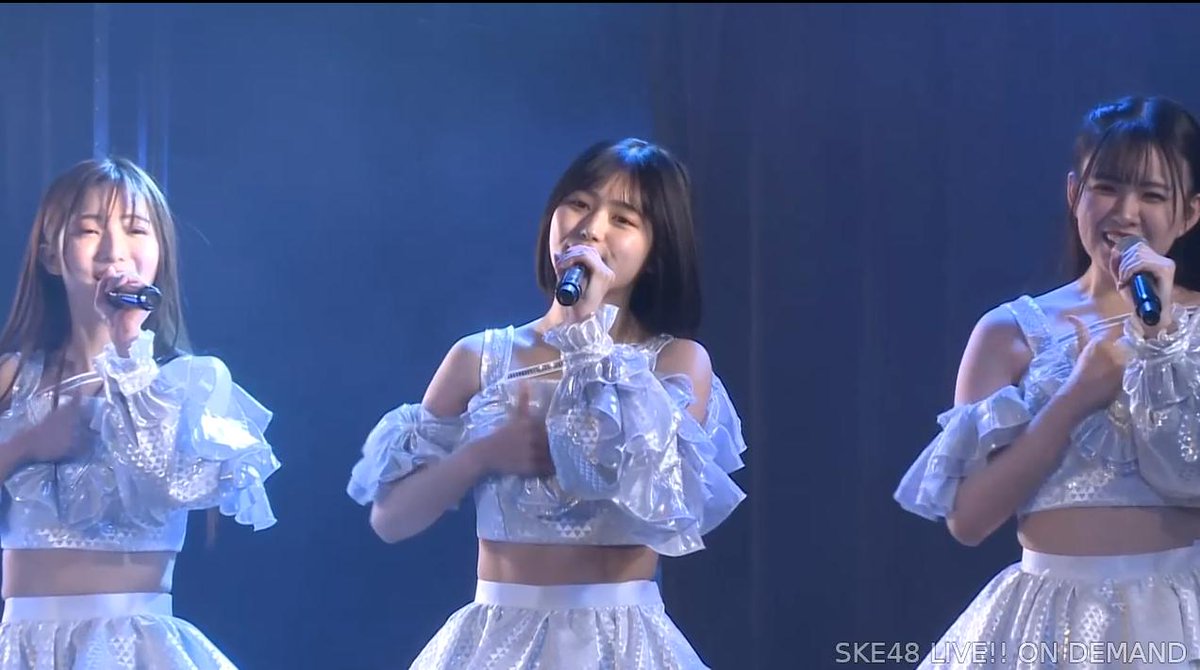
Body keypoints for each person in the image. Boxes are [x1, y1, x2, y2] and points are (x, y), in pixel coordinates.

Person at [347, 138, 748, 669]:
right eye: (579, 203)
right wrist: (481, 455)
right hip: (495, 640)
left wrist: (586, 336)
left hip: (620, 642)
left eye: (623, 219)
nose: (591, 228)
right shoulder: (477, 358)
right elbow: (391, 519)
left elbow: (657, 508)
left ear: (655, 253)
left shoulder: (674, 363)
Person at [895, 95, 1200, 668]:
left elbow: (1189, 477)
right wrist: (1073, 399)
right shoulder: (1008, 332)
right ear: (1074, 194)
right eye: (1106, 187)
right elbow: (968, 520)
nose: (1126, 212)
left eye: (1153, 195)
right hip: (1052, 620)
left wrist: (1160, 341)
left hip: (1181, 615)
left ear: (1189, 214)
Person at [0, 157, 281, 668]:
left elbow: (161, 485)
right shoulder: (13, 378)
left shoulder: (189, 383)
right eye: (89, 230)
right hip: (23, 645)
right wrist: (25, 445)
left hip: (132, 646)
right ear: (50, 255)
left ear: (160, 253)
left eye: (135, 229)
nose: (114, 250)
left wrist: (129, 349)